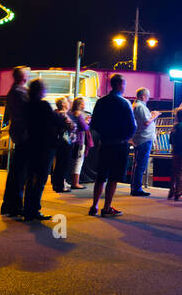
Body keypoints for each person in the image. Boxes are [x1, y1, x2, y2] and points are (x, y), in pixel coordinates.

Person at [88, 74, 136, 217]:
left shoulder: (101, 102)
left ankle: (94, 206)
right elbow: (132, 125)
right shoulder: (124, 103)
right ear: (120, 85)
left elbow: (94, 123)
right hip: (119, 144)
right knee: (114, 177)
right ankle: (107, 207)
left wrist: (103, 135)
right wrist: (126, 138)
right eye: (124, 84)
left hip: (105, 143)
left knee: (101, 176)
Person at [21, 80, 62, 221]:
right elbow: (55, 120)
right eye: (44, 89)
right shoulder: (43, 105)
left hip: (32, 143)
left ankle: (27, 208)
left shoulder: (27, 105)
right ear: (40, 91)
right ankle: (34, 209)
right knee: (41, 178)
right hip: (45, 145)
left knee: (30, 177)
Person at [1, 66, 32, 218]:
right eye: (28, 74)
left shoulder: (13, 92)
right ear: (23, 77)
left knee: (16, 170)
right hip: (24, 135)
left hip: (19, 134)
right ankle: (15, 205)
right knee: (20, 172)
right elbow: (31, 111)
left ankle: (9, 205)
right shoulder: (21, 93)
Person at [129, 87, 159, 197]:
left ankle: (135, 187)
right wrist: (154, 116)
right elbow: (146, 122)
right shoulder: (140, 106)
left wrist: (151, 115)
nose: (149, 98)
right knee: (140, 164)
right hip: (144, 138)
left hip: (141, 138)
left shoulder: (137, 106)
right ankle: (136, 188)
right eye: (147, 96)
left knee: (138, 164)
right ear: (143, 96)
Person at [50, 97, 77, 192]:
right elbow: (72, 127)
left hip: (61, 142)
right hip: (65, 142)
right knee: (63, 164)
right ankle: (60, 185)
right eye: (67, 102)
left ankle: (58, 184)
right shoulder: (63, 115)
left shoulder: (58, 114)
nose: (69, 104)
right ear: (63, 104)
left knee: (59, 164)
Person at [67, 97, 91, 189]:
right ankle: (75, 183)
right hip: (80, 140)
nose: (84, 105)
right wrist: (87, 122)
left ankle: (70, 181)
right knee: (78, 161)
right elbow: (85, 127)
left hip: (72, 139)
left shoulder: (70, 113)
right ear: (80, 104)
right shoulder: (79, 114)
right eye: (83, 103)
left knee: (72, 161)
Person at [169, 107, 182, 201]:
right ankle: (179, 193)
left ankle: (171, 192)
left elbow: (170, 140)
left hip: (175, 151)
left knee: (174, 172)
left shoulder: (175, 126)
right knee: (181, 172)